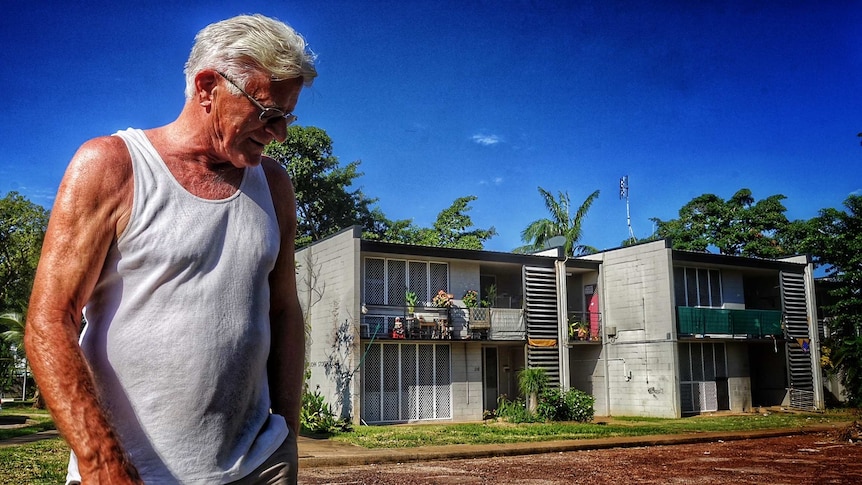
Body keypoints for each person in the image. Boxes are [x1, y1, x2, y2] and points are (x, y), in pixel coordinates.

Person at [24, 14, 316, 485]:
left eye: (287, 117)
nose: (279, 133)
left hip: (259, 464)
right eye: (268, 114)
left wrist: (286, 435)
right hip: (130, 472)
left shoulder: (275, 185)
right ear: (207, 87)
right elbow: (48, 320)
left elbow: (284, 311)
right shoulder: (112, 165)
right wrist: (103, 465)